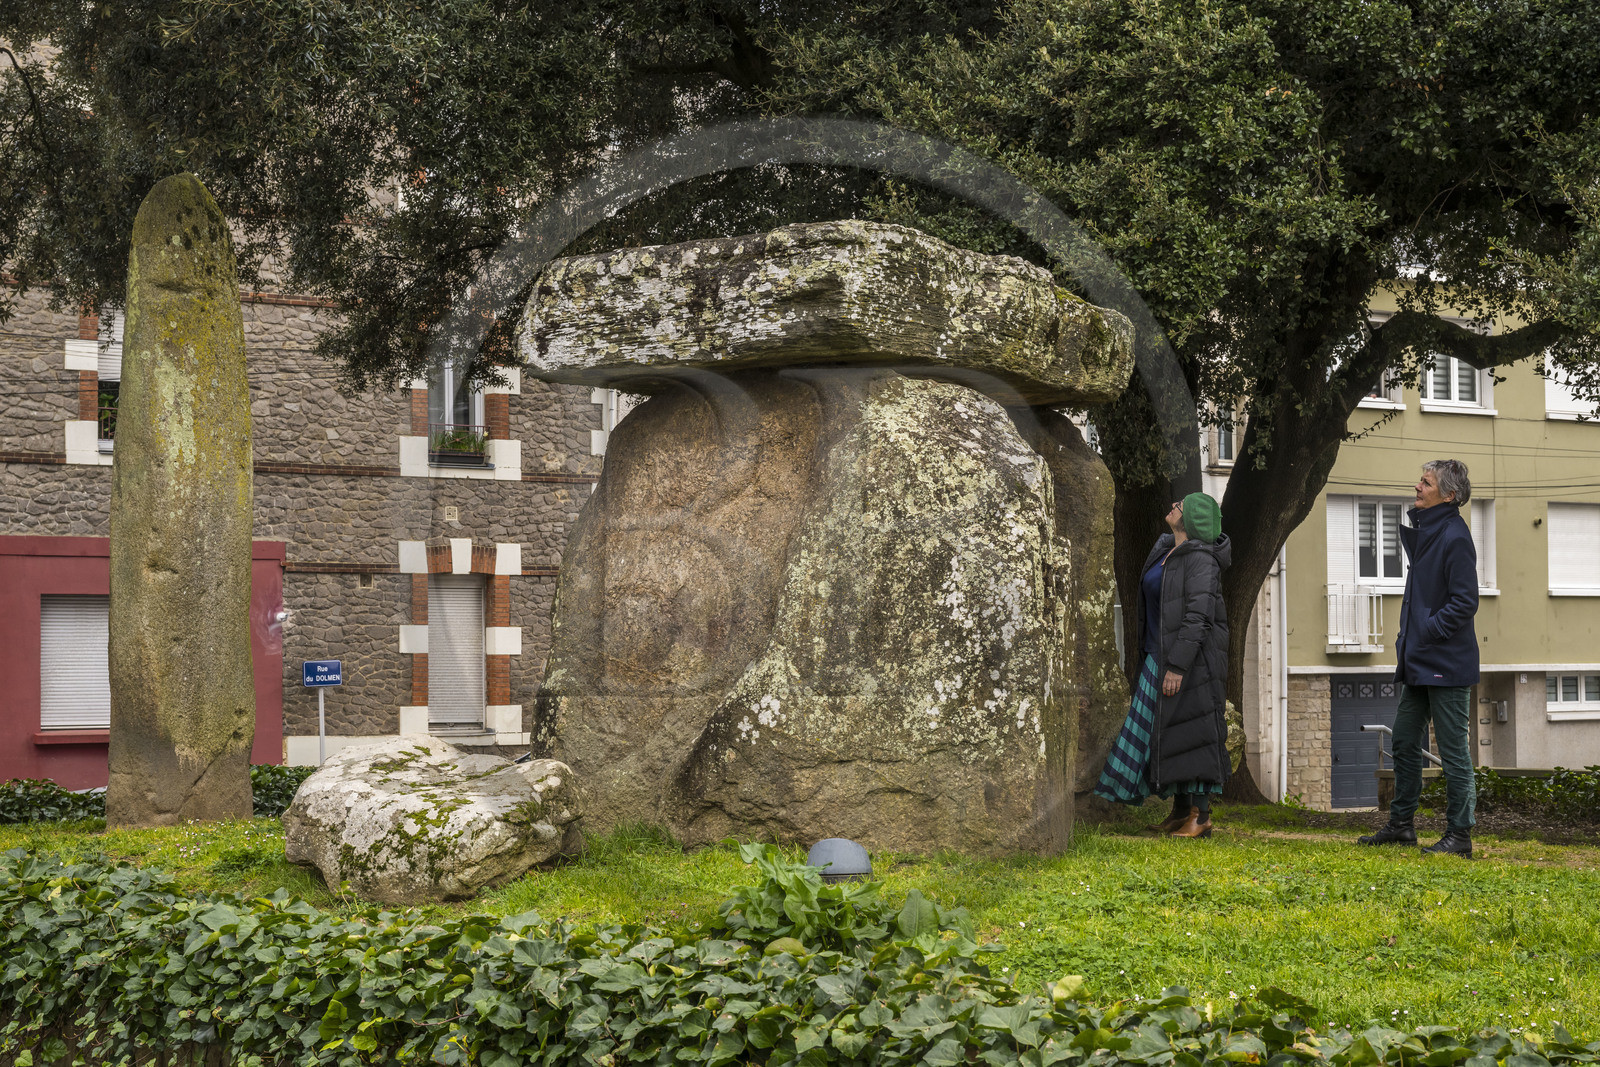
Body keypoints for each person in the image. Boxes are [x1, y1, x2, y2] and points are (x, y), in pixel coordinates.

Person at [1359, 460, 1479, 857]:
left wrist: (1426, 630)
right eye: (1420, 480)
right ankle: (1401, 826)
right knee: (1406, 741)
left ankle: (1460, 836)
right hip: (1418, 662)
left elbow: (1465, 602)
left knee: (1453, 752)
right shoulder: (1430, 532)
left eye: (1425, 483)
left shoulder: (1454, 536)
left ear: (1450, 495)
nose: (1417, 487)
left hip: (1446, 663)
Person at [1094, 492, 1232, 837]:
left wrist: (1178, 666)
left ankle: (1202, 818)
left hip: (1190, 664)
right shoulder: (1166, 551)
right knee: (1171, 735)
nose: (1172, 506)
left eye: (1179, 506)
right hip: (1158, 655)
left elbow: (1198, 618)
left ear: (1190, 520)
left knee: (1193, 733)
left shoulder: (1202, 559)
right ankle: (1181, 810)